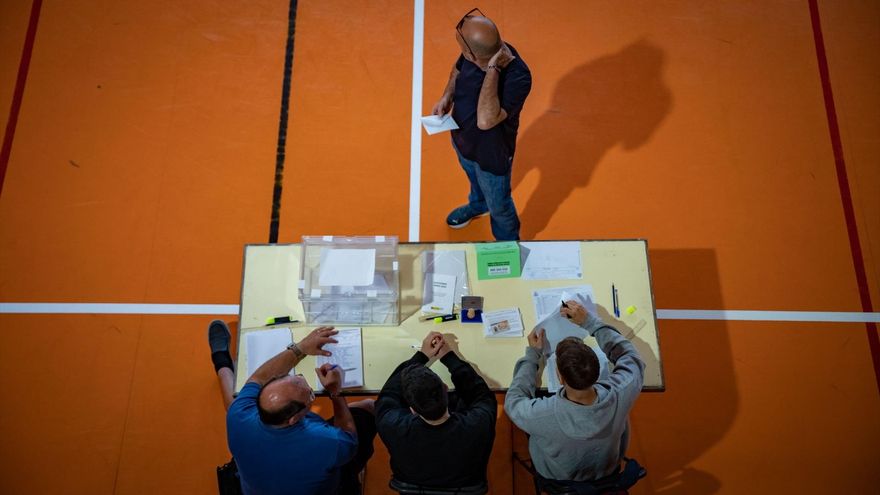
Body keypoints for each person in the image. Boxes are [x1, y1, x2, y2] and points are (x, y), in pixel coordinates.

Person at [208, 321, 376, 495]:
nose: (311, 391)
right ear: (294, 419)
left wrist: (301, 348)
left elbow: (258, 378)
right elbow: (349, 439)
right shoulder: (327, 441)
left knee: (235, 403)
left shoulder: (240, 416)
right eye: (311, 394)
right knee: (368, 406)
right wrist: (336, 393)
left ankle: (221, 361)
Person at [504, 300, 645, 481]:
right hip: (607, 473)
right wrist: (590, 322)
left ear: (560, 378)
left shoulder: (539, 415)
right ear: (597, 372)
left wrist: (532, 355)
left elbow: (513, 400)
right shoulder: (623, 391)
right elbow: (630, 356)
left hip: (557, 478)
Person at [432, 8, 532, 240]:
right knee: (475, 183)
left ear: (471, 53)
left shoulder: (518, 76)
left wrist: (492, 70)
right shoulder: (473, 54)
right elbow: (457, 70)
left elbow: (486, 121)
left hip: (492, 157)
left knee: (501, 207)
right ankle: (478, 204)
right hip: (463, 141)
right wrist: (446, 95)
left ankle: (507, 245)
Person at [376, 331, 497, 488]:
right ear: (446, 389)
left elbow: (389, 392)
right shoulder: (478, 425)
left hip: (413, 485)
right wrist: (449, 357)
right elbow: (479, 393)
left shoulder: (391, 425)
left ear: (412, 409)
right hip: (464, 483)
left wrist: (421, 356)